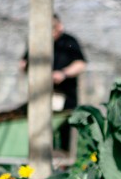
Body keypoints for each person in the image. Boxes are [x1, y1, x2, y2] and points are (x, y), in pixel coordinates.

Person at [19, 14, 87, 150]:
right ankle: (38, 153)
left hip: (65, 95)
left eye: (52, 30)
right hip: (42, 94)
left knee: (64, 127)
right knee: (39, 126)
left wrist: (63, 74)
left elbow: (80, 64)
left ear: (59, 27)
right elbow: (23, 63)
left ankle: (65, 160)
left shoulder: (69, 41)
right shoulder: (38, 42)